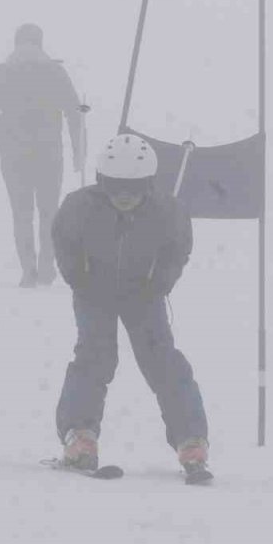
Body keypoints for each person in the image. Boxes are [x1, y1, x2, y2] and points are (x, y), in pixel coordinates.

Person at [51, 133, 211, 480]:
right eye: (116, 187)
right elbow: (62, 239)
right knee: (95, 356)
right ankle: (79, 434)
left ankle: (191, 438)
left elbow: (178, 248)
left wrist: (160, 282)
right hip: (94, 291)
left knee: (162, 359)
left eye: (134, 188)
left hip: (144, 293)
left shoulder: (167, 212)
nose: (125, 197)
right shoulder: (80, 207)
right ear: (101, 182)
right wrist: (78, 276)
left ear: (148, 186)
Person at [0, 23, 85, 287]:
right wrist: (78, 153)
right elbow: (74, 114)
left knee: (21, 213)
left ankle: (28, 271)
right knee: (49, 212)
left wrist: (4, 139)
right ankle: (47, 268)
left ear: (16, 43)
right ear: (40, 43)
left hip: (14, 159)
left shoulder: (2, 74)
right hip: (50, 155)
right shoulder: (55, 72)